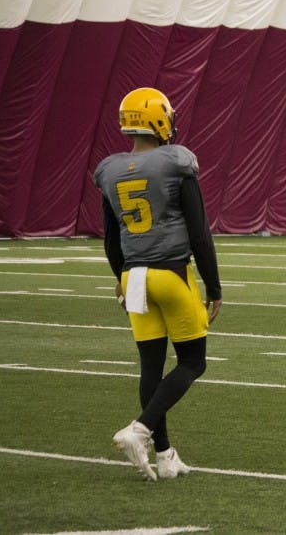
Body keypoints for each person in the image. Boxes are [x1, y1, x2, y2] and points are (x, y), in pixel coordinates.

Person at [94, 87, 222, 480]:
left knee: (151, 365)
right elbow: (200, 233)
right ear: (158, 119)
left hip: (133, 277)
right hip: (170, 273)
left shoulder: (111, 169)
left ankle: (165, 456)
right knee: (192, 361)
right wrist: (214, 287)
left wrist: (120, 276)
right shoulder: (176, 162)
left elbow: (111, 239)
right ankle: (141, 429)